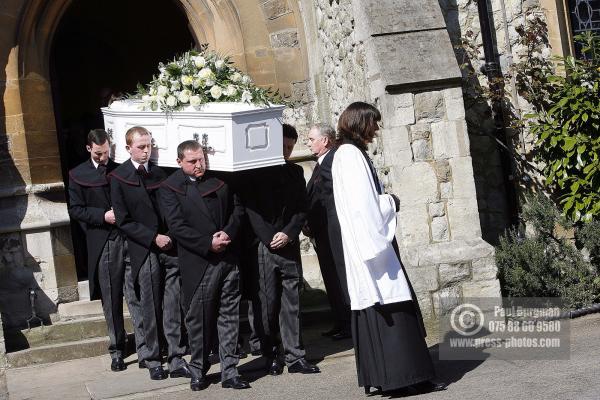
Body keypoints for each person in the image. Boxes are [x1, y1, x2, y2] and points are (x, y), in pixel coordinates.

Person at [332, 102, 447, 395]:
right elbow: (364, 207)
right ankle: (405, 377)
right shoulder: (350, 156)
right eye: (374, 123)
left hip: (369, 245)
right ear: (360, 123)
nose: (377, 129)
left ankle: (398, 377)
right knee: (392, 304)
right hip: (373, 248)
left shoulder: (348, 154)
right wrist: (390, 202)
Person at [159, 140, 250, 391]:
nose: (199, 165)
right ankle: (198, 369)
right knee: (198, 320)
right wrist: (207, 243)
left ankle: (230, 370)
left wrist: (227, 234)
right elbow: (177, 226)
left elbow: (237, 210)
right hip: (199, 262)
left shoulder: (220, 179)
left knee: (229, 315)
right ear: (179, 162)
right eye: (192, 161)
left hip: (227, 258)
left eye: (201, 159)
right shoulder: (170, 188)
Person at [109, 126, 189, 381]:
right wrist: (153, 237)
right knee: (150, 306)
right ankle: (153, 359)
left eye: (149, 145)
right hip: (144, 249)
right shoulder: (119, 177)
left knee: (173, 305)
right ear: (128, 148)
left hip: (170, 246)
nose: (147, 151)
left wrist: (172, 236)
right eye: (142, 147)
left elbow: (171, 206)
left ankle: (177, 357)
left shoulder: (159, 172)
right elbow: (123, 219)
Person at [240, 124, 320, 376]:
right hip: (264, 247)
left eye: (290, 147)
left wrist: (288, 233)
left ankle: (295, 356)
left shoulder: (295, 172)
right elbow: (250, 209)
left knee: (292, 303)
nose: (286, 151)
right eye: (283, 146)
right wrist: (268, 237)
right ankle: (271, 353)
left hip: (288, 244)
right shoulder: (253, 173)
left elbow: (301, 208)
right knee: (266, 303)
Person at [68, 129, 127, 371]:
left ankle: (148, 348)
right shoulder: (78, 174)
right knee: (111, 297)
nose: (104, 157)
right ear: (89, 148)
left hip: (128, 238)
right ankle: (117, 349)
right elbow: (76, 210)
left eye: (107, 152)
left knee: (136, 295)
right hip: (103, 240)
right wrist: (102, 216)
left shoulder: (119, 168)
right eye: (100, 153)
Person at [304, 123, 351, 340]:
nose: (308, 143)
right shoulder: (321, 163)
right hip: (322, 235)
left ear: (324, 140)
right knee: (331, 279)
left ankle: (349, 324)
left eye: (311, 139)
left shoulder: (333, 160)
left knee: (340, 279)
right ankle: (341, 322)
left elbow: (330, 198)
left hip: (334, 233)